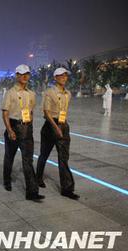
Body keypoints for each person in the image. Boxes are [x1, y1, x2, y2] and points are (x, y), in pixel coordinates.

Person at [1, 64, 44, 201]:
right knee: (10, 156)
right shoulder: (10, 93)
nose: (25, 76)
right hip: (13, 126)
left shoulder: (32, 94)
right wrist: (9, 130)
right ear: (17, 75)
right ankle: (7, 181)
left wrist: (29, 125)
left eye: (27, 74)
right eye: (22, 74)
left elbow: (30, 111)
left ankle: (32, 192)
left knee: (28, 160)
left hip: (26, 128)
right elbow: (5, 113)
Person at [36, 67, 80, 200]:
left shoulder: (68, 93)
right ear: (55, 78)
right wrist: (55, 127)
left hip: (63, 124)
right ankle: (38, 177)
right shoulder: (49, 92)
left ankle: (67, 189)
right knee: (44, 154)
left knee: (63, 158)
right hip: (50, 126)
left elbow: (64, 111)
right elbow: (46, 112)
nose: (64, 78)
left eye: (65, 75)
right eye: (61, 76)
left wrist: (62, 126)